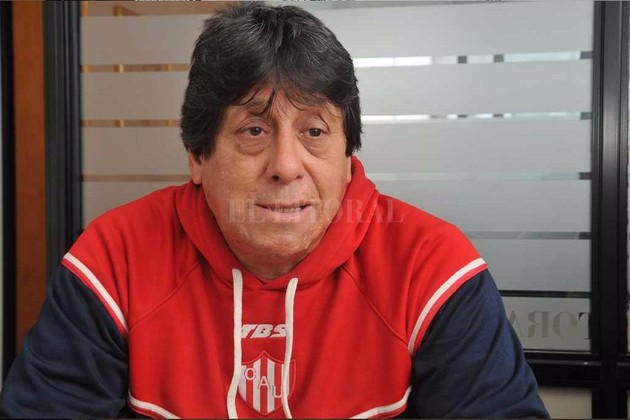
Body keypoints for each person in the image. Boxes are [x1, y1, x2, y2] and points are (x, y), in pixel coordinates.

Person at [0, 3, 548, 418]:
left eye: (315, 132)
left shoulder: (432, 267)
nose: (286, 166)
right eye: (254, 131)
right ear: (197, 155)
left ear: (348, 158)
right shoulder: (113, 258)